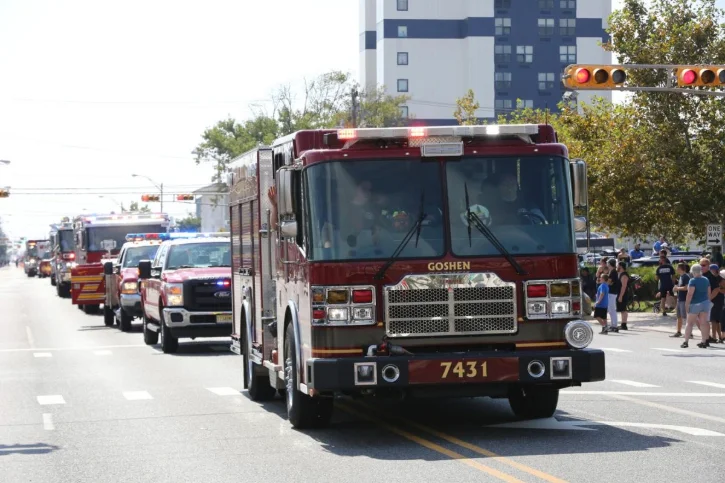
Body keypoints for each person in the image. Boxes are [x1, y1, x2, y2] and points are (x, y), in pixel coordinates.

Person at [682, 263, 711, 349]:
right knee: (703, 323)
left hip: (695, 303)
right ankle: (704, 341)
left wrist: (687, 304)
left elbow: (690, 294)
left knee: (689, 323)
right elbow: (709, 292)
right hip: (705, 303)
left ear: (693, 271)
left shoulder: (693, 281)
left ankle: (686, 341)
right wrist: (708, 302)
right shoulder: (706, 279)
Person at [705, 264, 724, 344]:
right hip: (718, 300)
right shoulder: (716, 278)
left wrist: (709, 299)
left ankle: (714, 336)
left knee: (714, 319)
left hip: (716, 300)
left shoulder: (717, 279)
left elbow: (716, 290)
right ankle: (719, 336)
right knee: (716, 320)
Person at [671, 262, 691, 338]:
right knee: (679, 316)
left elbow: (687, 287)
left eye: (677, 268)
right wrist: (676, 288)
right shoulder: (681, 277)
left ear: (680, 269)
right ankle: (678, 332)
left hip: (684, 299)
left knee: (685, 317)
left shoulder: (686, 277)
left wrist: (677, 288)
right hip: (680, 299)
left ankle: (689, 333)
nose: (676, 269)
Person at [606, 259, 619, 332]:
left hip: (612, 292)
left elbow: (609, 282)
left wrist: (606, 282)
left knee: (612, 309)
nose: (607, 264)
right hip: (612, 292)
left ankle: (614, 325)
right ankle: (612, 324)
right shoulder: (612, 271)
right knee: (611, 310)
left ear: (610, 264)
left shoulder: (613, 272)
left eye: (608, 263)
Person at [616, 261, 630, 330]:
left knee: (623, 309)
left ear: (620, 266)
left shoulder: (624, 275)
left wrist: (621, 296)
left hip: (623, 294)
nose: (616, 267)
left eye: (617, 265)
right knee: (622, 310)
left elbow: (624, 286)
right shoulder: (620, 274)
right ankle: (623, 324)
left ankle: (624, 325)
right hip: (621, 294)